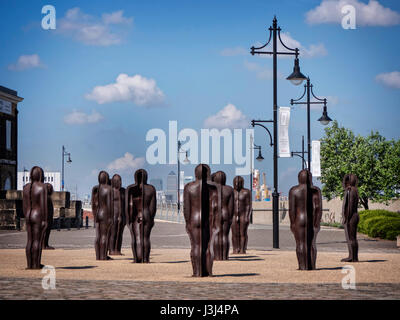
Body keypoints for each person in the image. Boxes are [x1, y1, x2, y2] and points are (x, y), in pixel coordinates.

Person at [184, 164, 220, 276]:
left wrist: (187, 223)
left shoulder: (189, 187)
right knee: (208, 245)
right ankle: (208, 271)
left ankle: (197, 272)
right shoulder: (213, 188)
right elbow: (215, 207)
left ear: (196, 173)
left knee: (195, 245)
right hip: (207, 219)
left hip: (194, 218)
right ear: (208, 173)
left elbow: (187, 208)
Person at [289, 169, 322, 270]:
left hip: (299, 219)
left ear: (299, 178)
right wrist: (317, 222)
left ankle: (302, 266)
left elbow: (292, 210)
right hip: (311, 219)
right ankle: (311, 265)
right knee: (312, 243)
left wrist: (292, 223)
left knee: (300, 243)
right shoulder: (316, 190)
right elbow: (318, 208)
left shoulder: (294, 190)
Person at [126, 169, 156, 263]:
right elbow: (153, 207)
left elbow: (128, 205)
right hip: (147, 214)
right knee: (146, 238)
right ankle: (145, 258)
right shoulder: (151, 189)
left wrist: (128, 220)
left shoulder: (130, 188)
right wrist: (151, 219)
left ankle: (136, 258)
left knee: (135, 237)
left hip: (135, 215)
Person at [23, 166, 48, 269]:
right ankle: (36, 264)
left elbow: (24, 206)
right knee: (37, 240)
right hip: (37, 215)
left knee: (29, 240)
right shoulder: (42, 187)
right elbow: (43, 206)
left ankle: (29, 264)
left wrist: (26, 216)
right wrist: (45, 220)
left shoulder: (26, 188)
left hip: (28, 215)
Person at [211, 171, 233, 260]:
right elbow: (231, 206)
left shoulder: (212, 189)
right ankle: (224, 256)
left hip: (215, 213)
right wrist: (230, 217)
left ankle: (217, 256)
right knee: (225, 235)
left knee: (215, 235)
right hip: (226, 213)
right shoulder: (229, 189)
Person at [92, 171, 113, 260]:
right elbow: (109, 204)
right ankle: (103, 256)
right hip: (105, 214)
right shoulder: (108, 188)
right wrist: (111, 217)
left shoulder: (96, 188)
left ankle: (98, 256)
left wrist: (95, 214)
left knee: (98, 236)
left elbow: (94, 204)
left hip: (98, 213)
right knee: (105, 235)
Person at [341, 174, 359, 262]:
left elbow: (349, 207)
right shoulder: (355, 190)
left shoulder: (350, 191)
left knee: (350, 237)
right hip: (355, 216)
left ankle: (352, 257)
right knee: (353, 237)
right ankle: (354, 256)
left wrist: (346, 219)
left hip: (350, 217)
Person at [231, 176, 251, 254]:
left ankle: (243, 249)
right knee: (234, 233)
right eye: (235, 182)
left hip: (243, 215)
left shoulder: (246, 192)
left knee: (243, 233)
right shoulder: (231, 192)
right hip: (233, 215)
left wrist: (247, 216)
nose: (237, 184)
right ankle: (235, 248)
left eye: (238, 183)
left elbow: (248, 205)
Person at [108, 174, 126, 256]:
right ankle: (111, 250)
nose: (120, 182)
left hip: (122, 216)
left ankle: (118, 249)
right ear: (113, 182)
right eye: (118, 181)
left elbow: (127, 204)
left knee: (120, 233)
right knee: (113, 233)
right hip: (113, 216)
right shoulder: (110, 191)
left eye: (120, 180)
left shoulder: (124, 191)